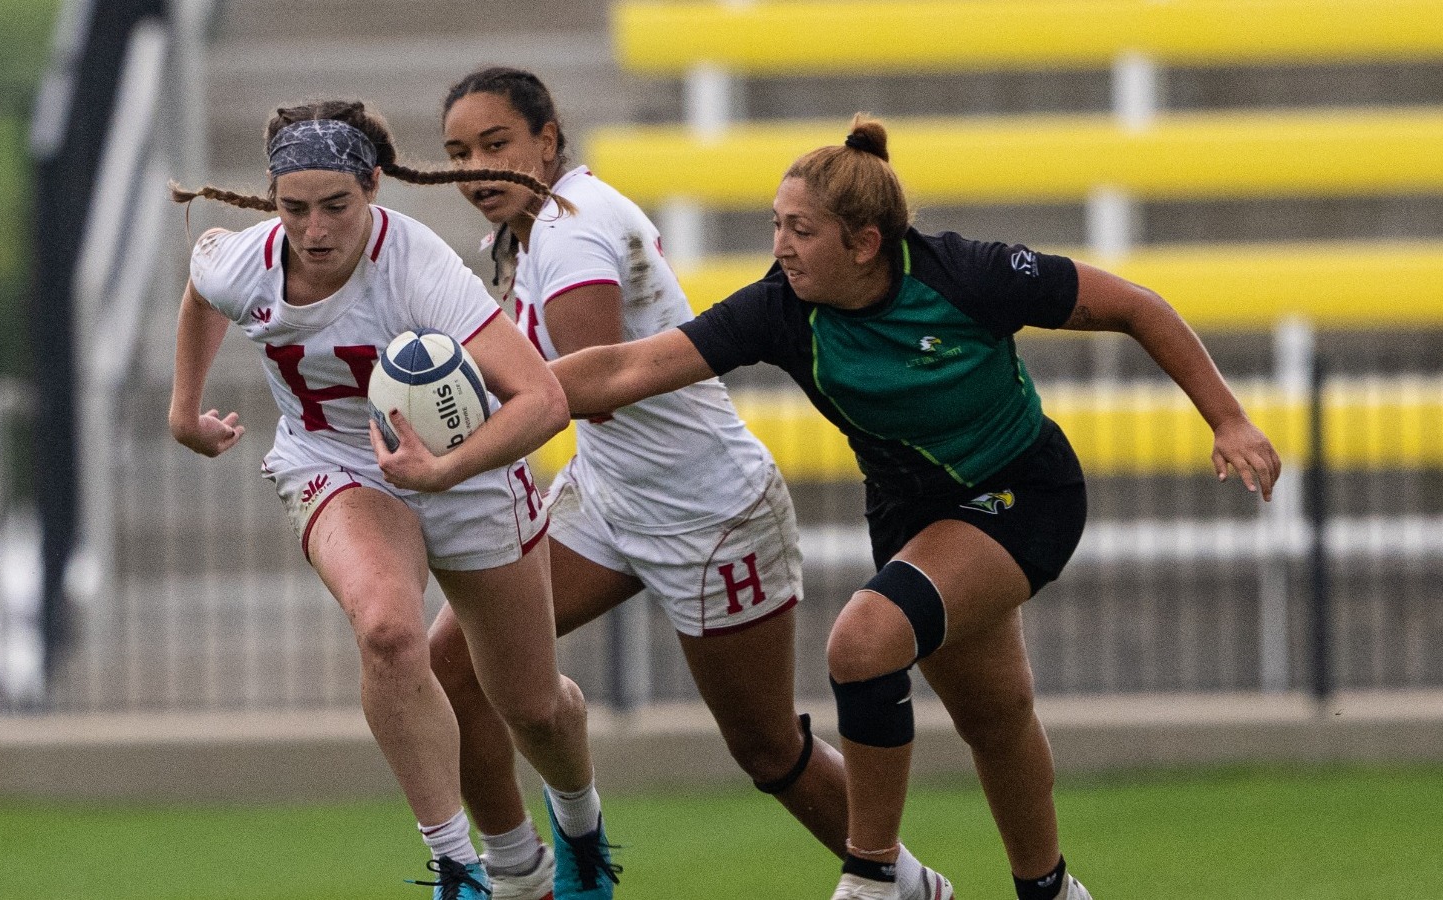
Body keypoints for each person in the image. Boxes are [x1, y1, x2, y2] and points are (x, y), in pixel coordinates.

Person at [547, 114, 1283, 900]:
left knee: (863, 642)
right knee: (995, 717)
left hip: (1024, 494)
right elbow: (625, 370)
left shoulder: (968, 275)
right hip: (915, 519)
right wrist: (505, 388)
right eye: (775, 225)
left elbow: (1137, 306)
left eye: (801, 230)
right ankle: (1051, 891)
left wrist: (1229, 419)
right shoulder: (779, 309)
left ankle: (872, 876)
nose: (781, 247)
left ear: (865, 242)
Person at [429, 68, 949, 900]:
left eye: (496, 144)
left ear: (547, 140)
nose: (477, 169)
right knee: (454, 659)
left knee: (767, 749)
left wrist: (449, 429)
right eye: (458, 154)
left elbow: (585, 389)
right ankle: (525, 869)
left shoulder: (570, 230)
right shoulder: (532, 229)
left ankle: (909, 884)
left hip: (708, 513)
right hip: (609, 495)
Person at [166, 99, 616, 900]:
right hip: (337, 464)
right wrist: (183, 410)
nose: (314, 231)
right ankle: (461, 869)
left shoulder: (417, 268)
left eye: (336, 206)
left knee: (533, 707)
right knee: (386, 632)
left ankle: (580, 828)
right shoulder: (248, 262)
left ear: (373, 186)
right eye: (294, 207)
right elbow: (203, 288)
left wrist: (443, 471)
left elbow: (544, 401)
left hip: (467, 470)